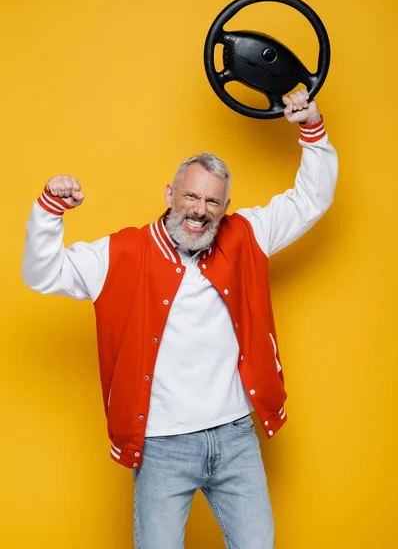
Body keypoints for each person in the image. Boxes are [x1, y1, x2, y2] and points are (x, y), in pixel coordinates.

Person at [22, 89, 338, 549]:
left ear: (225, 207)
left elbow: (312, 198)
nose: (199, 211)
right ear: (170, 194)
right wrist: (50, 210)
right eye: (191, 196)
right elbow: (42, 273)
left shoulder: (247, 235)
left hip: (236, 438)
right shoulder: (121, 253)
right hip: (162, 446)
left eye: (213, 202)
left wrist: (311, 127)